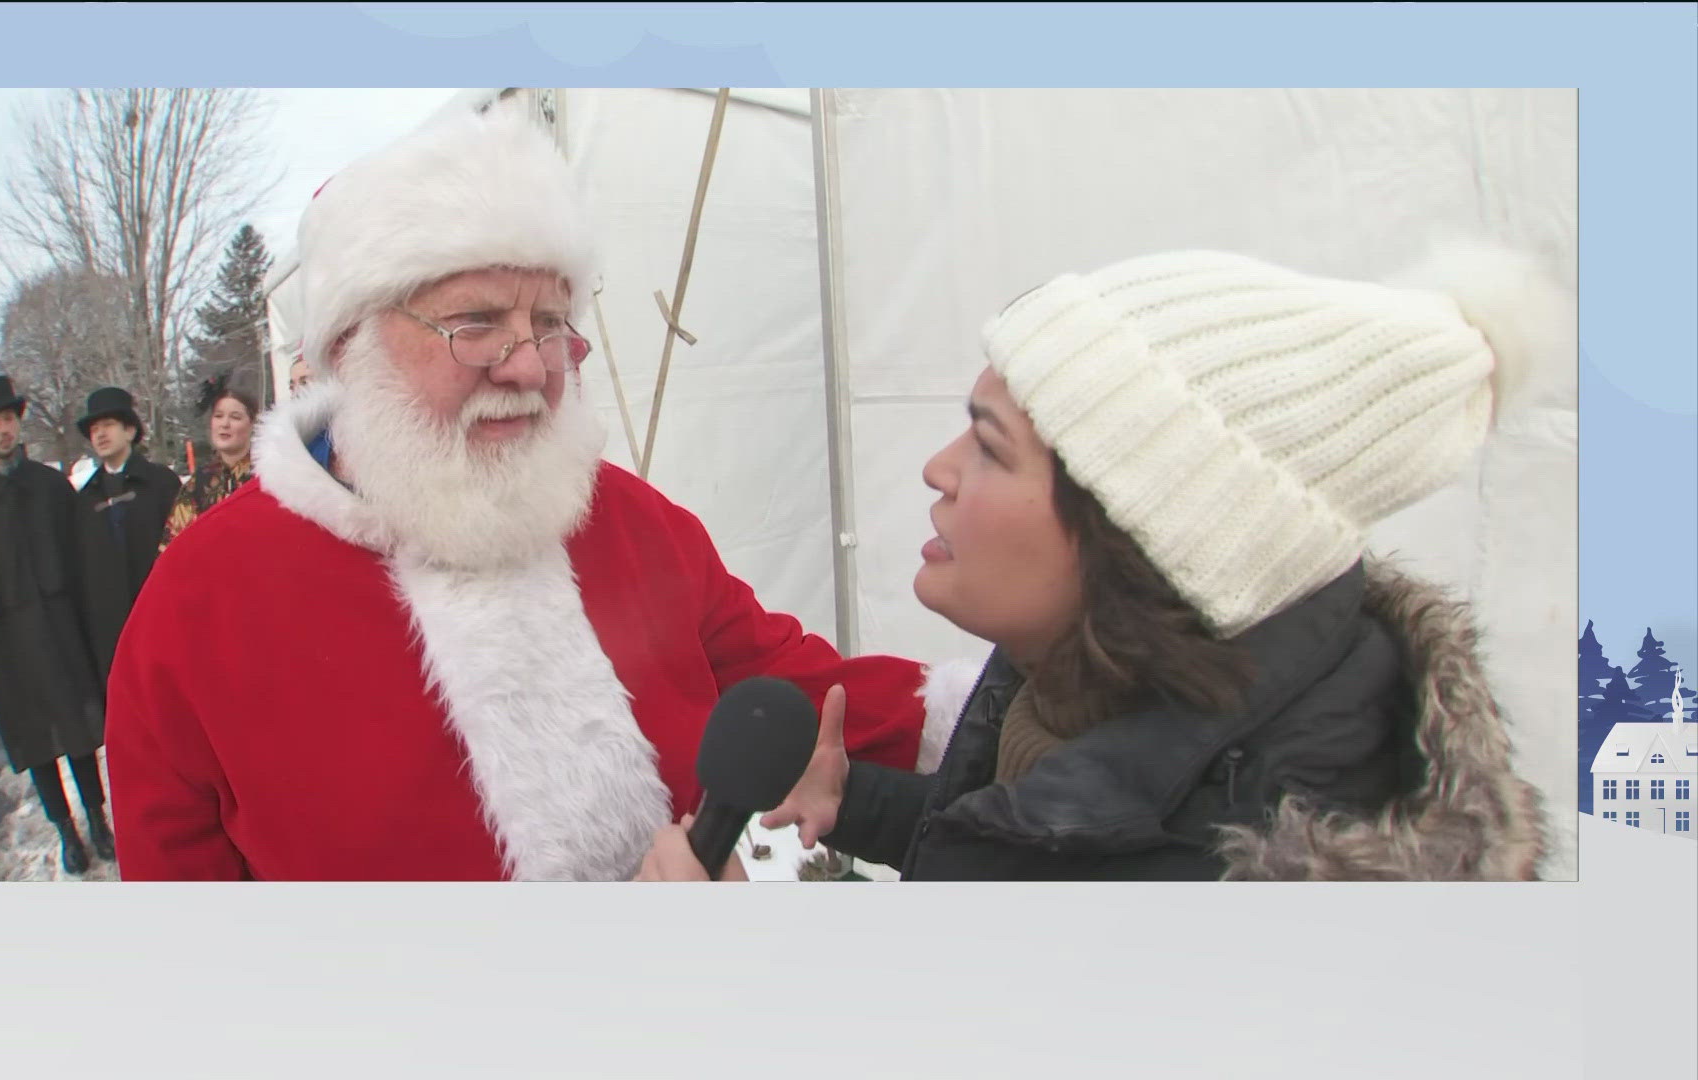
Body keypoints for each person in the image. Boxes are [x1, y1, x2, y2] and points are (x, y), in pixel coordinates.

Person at [103, 107, 932, 881]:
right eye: (476, 323)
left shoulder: (626, 518)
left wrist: (989, 715)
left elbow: (798, 687)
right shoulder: (200, 599)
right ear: (352, 346)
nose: (530, 365)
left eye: (548, 323)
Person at [639, 244, 1562, 882]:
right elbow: (1040, 829)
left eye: (990, 447)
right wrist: (864, 802)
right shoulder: (1091, 698)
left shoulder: (1216, 894)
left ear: (1144, 534)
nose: (938, 470)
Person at [0, 375, 112, 873]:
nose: (4, 430)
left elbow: (83, 559)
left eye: (9, 419)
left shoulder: (50, 487)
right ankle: (66, 831)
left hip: (59, 633)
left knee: (78, 732)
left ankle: (97, 819)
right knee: (36, 741)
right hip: (10, 646)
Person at [72, 387, 181, 688]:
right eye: (94, 428)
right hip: (111, 631)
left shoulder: (162, 483)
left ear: (130, 430)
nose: (100, 434)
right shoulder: (86, 499)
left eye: (108, 425)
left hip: (162, 617)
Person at [160, 380, 256, 550]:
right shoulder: (198, 483)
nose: (225, 424)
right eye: (218, 416)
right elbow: (174, 546)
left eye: (235, 417)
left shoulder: (268, 475)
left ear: (252, 424)